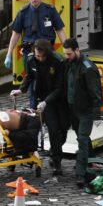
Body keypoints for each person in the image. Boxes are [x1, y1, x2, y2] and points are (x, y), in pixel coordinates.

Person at [47, 38, 103, 189]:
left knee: (82, 140)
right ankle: (89, 161)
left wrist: (96, 112)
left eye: (69, 54)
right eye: (65, 54)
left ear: (77, 50)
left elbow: (96, 92)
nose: (67, 56)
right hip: (72, 108)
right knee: (75, 135)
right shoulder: (68, 63)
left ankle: (80, 173)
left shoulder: (88, 68)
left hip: (85, 110)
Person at [5, 0, 66, 107]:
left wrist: (66, 48)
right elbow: (16, 34)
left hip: (47, 52)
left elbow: (60, 30)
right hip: (30, 51)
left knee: (50, 80)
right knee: (31, 80)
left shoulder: (50, 10)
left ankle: (49, 105)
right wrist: (9, 54)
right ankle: (33, 109)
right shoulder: (23, 12)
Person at [21, 39, 69, 176]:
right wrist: (21, 89)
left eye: (42, 56)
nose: (40, 59)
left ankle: (55, 152)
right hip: (44, 100)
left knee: (63, 129)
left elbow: (60, 87)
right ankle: (57, 162)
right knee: (53, 130)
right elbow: (29, 76)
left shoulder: (57, 62)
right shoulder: (31, 60)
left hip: (60, 99)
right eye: (38, 56)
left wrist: (47, 101)